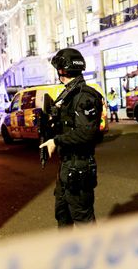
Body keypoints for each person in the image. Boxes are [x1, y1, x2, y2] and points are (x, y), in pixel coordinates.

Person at [39, 48, 103, 227]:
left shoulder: (84, 96)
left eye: (59, 70)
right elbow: (66, 125)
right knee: (62, 215)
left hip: (79, 166)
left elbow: (87, 133)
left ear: (63, 70)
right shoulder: (68, 94)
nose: (59, 75)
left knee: (84, 219)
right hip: (67, 165)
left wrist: (56, 141)